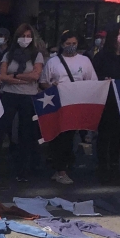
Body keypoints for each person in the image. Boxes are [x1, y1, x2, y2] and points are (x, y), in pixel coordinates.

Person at [40, 31, 96, 185]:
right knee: (59, 136)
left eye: (74, 44)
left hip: (75, 103)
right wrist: (52, 87)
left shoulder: (84, 61)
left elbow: (91, 81)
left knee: (70, 136)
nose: (71, 46)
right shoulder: (53, 62)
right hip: (58, 103)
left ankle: (63, 166)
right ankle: (60, 169)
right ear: (62, 44)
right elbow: (43, 82)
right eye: (68, 44)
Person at [0, 24, 46, 182]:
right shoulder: (8, 54)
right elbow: (2, 76)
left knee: (26, 133)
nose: (25, 39)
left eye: (28, 36)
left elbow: (35, 76)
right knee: (1, 129)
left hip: (28, 96)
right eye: (22, 36)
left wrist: (15, 75)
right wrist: (23, 77)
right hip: (9, 95)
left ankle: (23, 171)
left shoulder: (36, 55)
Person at [93, 24, 120, 183]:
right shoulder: (101, 56)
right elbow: (94, 76)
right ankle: (102, 166)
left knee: (117, 134)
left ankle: (115, 166)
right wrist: (104, 80)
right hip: (105, 99)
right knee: (104, 134)